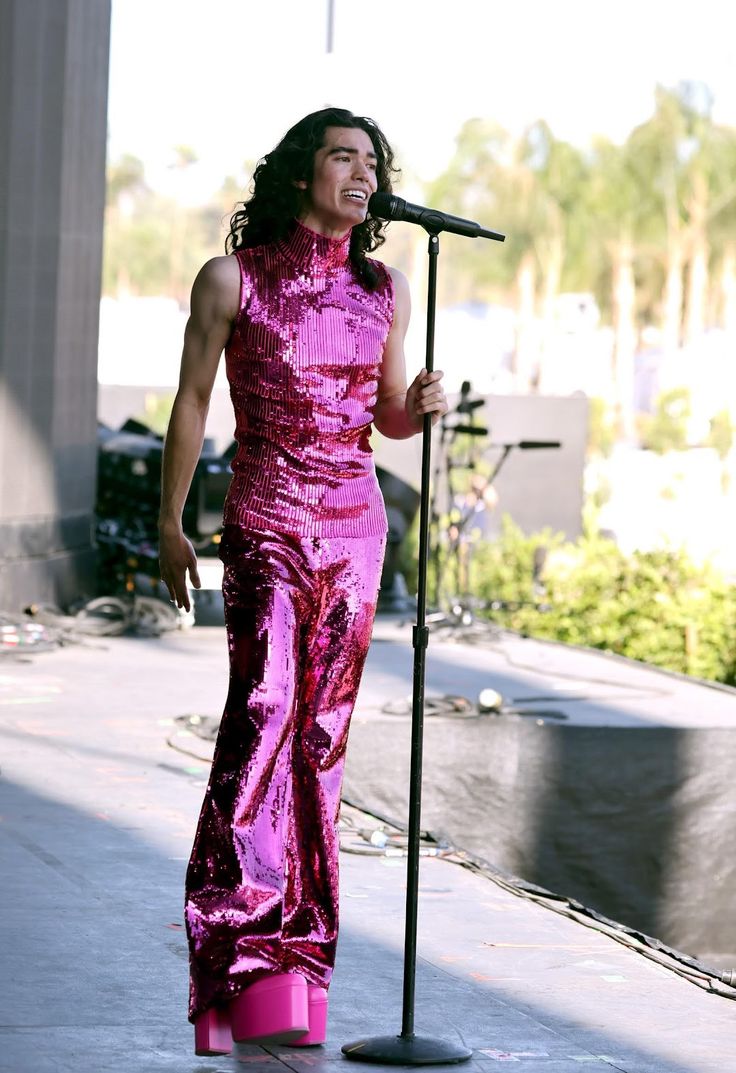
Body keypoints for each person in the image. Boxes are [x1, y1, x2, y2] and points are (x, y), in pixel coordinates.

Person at [157, 106, 448, 1057]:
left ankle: (299, 964)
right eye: (342, 157)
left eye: (373, 162)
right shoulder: (232, 279)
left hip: (356, 527)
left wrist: (422, 406)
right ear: (299, 174)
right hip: (268, 518)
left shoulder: (387, 287)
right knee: (267, 709)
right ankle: (231, 955)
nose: (362, 174)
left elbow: (388, 416)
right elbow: (195, 396)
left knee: (321, 738)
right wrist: (171, 518)